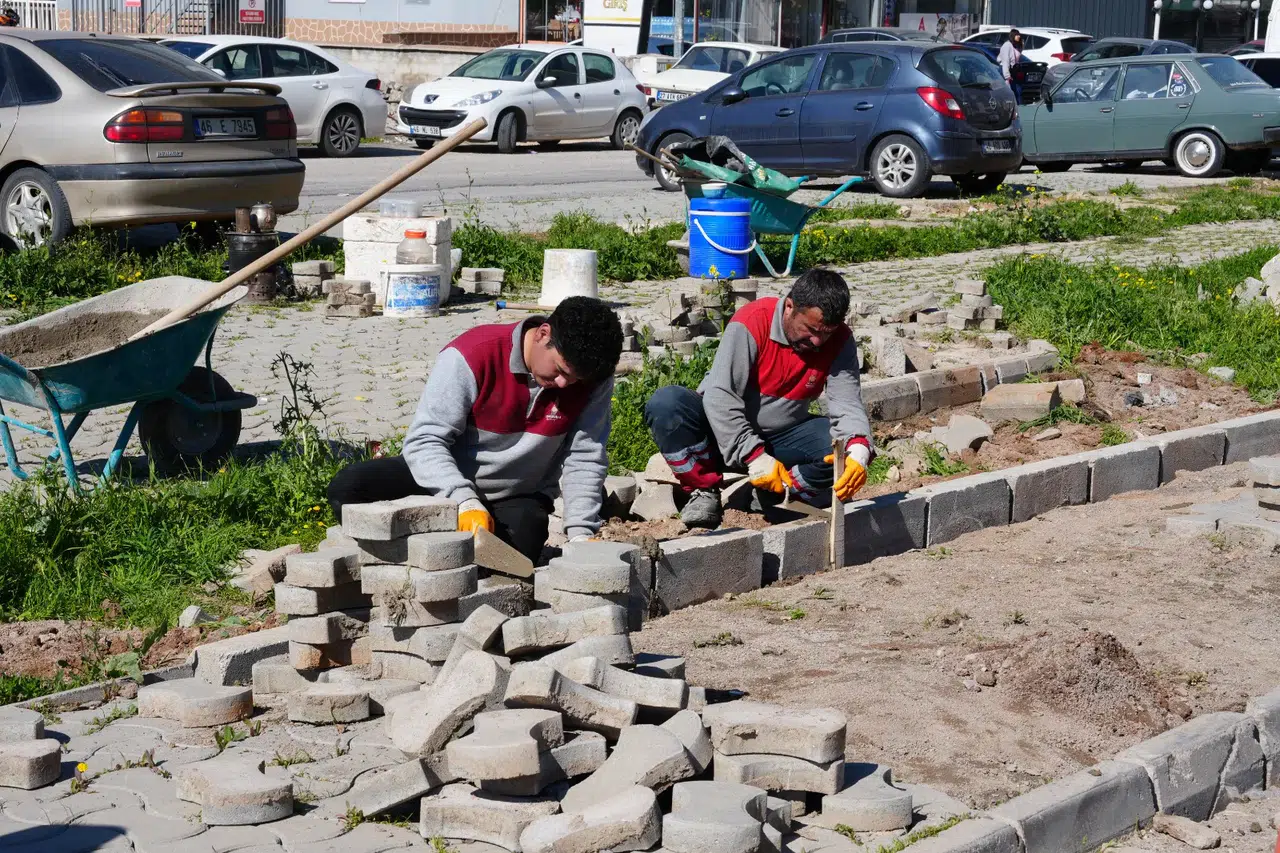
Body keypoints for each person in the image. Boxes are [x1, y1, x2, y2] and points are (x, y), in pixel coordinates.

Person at [327, 296, 624, 562]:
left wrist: (581, 535)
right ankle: (408, 553)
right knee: (350, 487)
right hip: (443, 483)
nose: (564, 385)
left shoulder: (590, 379)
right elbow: (425, 441)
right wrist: (463, 500)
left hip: (516, 493)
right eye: (560, 371)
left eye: (574, 380)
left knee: (519, 551)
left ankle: (440, 554)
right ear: (543, 334)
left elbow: (585, 457)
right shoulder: (472, 354)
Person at [644, 269, 873, 529]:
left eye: (827, 333)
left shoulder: (839, 341)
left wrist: (859, 453)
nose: (818, 341)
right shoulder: (752, 321)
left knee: (839, 450)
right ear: (789, 307)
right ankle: (704, 491)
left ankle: (772, 496)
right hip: (720, 437)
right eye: (810, 329)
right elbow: (720, 397)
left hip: (782, 438)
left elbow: (848, 404)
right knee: (667, 404)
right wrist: (754, 456)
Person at [998, 29, 1024, 103]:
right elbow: (1005, 60)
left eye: (1019, 35)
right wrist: (1007, 75)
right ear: (1013, 36)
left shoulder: (1017, 46)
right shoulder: (1007, 45)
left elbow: (1016, 59)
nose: (1019, 36)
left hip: (1013, 70)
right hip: (1005, 69)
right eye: (1017, 35)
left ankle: (1019, 107)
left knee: (1018, 90)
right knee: (1010, 91)